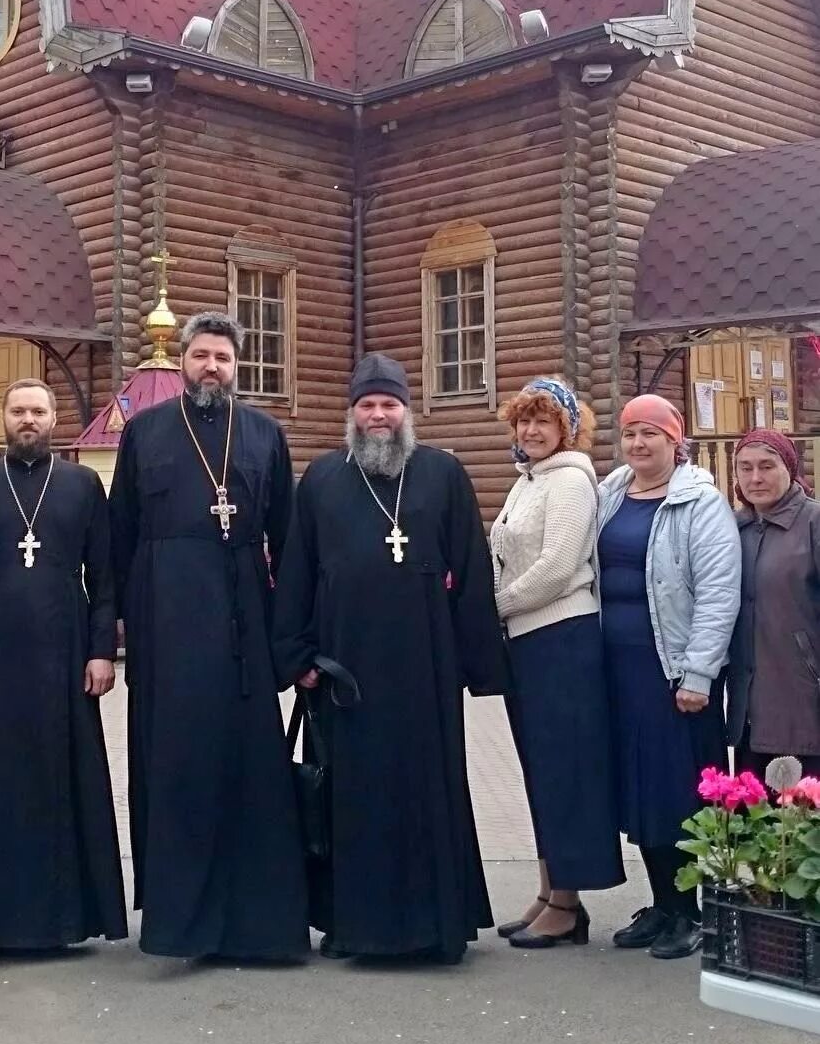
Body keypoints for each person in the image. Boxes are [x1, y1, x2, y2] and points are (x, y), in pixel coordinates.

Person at [273, 354, 507, 963]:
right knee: (351, 795)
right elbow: (295, 571)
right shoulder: (322, 478)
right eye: (368, 405)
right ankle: (354, 926)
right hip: (344, 664)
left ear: (407, 410)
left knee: (429, 789)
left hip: (426, 664)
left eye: (389, 404)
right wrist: (295, 655)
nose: (379, 415)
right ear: (352, 413)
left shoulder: (442, 474)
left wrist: (475, 662)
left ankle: (438, 925)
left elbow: (472, 566)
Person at [108, 310, 308, 962]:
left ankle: (259, 923)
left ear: (236, 366)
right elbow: (119, 536)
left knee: (252, 768)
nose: (211, 368)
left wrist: (292, 635)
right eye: (201, 357)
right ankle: (179, 924)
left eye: (222, 358)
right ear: (183, 361)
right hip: (165, 622)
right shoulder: (143, 432)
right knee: (177, 767)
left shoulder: (263, 434)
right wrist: (118, 624)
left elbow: (289, 539)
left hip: (243, 617)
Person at [0, 378, 126, 954]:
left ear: (54, 419)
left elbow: (105, 576)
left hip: (66, 656)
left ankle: (67, 918)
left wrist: (100, 650)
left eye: (38, 412)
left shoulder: (82, 484)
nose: (28, 420)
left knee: (64, 777)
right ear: (4, 418)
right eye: (18, 411)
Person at [597, 395, 740, 960]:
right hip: (618, 670)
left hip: (672, 673)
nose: (638, 444)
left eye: (650, 433)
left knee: (676, 792)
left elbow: (718, 594)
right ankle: (661, 902)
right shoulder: (611, 495)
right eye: (630, 432)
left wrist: (699, 673)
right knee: (639, 791)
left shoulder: (700, 504)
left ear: (675, 441)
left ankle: (690, 912)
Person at [490, 377, 623, 950]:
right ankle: (550, 890)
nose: (531, 431)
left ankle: (568, 904)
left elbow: (557, 565)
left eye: (543, 421)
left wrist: (494, 607)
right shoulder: (529, 480)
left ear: (567, 428)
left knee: (565, 771)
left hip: (562, 637)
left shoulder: (570, 480)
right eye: (524, 421)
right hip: (529, 639)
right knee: (541, 769)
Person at [728, 429, 820, 781]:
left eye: (767, 466)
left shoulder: (813, 523)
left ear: (790, 468)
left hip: (803, 703)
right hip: (749, 712)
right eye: (745, 467)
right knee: (757, 826)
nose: (755, 477)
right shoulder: (734, 528)